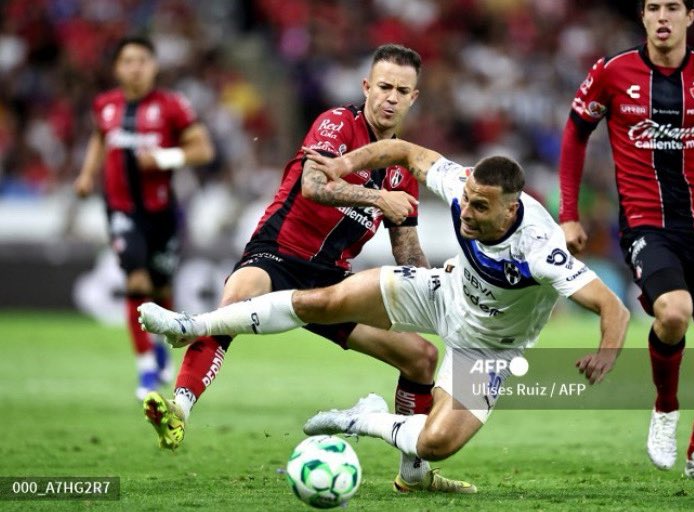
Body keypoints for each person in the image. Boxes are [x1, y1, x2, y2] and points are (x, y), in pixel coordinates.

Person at [136, 138, 629, 483]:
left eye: (482, 208)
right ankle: (190, 325)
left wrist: (607, 354)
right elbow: (405, 151)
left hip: (489, 349)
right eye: (469, 201)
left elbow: (613, 307)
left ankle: (364, 418)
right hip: (443, 292)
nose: (469, 212)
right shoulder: (462, 185)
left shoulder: (541, 249)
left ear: (511, 209)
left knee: (436, 444)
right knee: (322, 301)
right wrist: (341, 166)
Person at [141, 44, 474, 493]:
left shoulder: (402, 173)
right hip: (278, 254)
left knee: (421, 357)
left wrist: (440, 288)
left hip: (333, 280)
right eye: (383, 87)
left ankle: (413, 474)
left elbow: (408, 253)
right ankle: (179, 410)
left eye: (402, 90)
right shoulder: (337, 124)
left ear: (414, 98)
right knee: (237, 297)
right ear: (366, 87)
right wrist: (377, 199)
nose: (390, 98)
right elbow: (313, 185)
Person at [558, 0, 694, 481]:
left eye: (673, 6)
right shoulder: (612, 72)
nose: (663, 16)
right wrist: (568, 215)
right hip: (646, 225)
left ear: (690, 17)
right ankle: (665, 410)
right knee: (673, 312)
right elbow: (574, 136)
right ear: (644, 17)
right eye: (654, 7)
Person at [73, 36, 215, 400]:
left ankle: (160, 349)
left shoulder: (172, 106)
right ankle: (146, 369)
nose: (135, 67)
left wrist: (165, 159)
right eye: (128, 61)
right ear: (117, 68)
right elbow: (99, 139)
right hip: (122, 210)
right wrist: (88, 175)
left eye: (142, 60)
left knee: (160, 287)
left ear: (154, 66)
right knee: (136, 282)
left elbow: (203, 149)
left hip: (163, 212)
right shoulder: (105, 106)